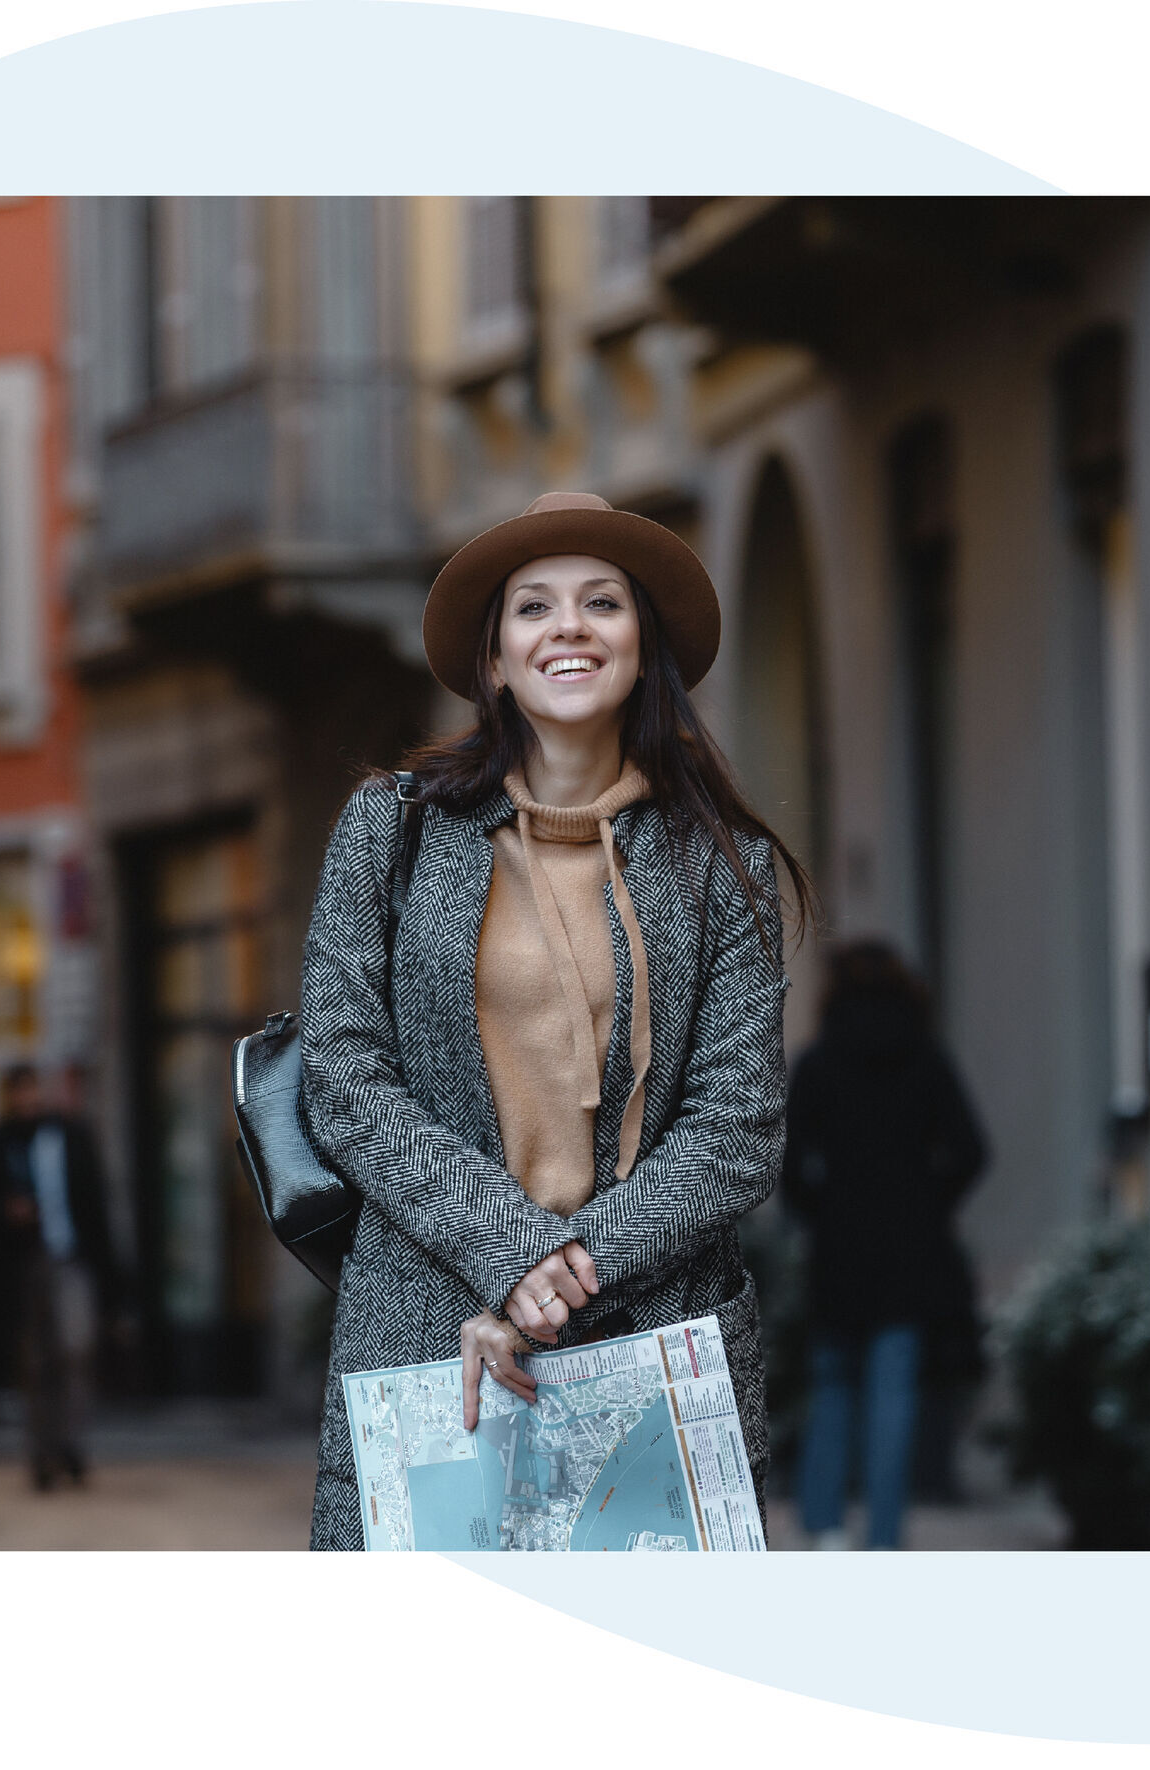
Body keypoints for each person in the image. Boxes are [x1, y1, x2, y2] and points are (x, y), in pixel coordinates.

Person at [298, 491, 812, 1551]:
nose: (568, 627)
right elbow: (346, 1077)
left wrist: (552, 1284)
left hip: (656, 1341)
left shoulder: (723, 865)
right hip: (426, 1341)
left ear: (643, 646)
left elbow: (737, 1130)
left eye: (602, 603)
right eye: (532, 607)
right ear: (495, 660)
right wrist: (508, 1251)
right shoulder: (392, 831)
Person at [780, 942, 987, 1548]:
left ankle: (823, 1524)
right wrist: (929, 1203)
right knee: (892, 1394)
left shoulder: (819, 1062)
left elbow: (787, 1165)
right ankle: (884, 1536)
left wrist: (818, 1213)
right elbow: (971, 1151)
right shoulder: (925, 1060)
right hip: (908, 1253)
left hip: (839, 1250)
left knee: (833, 1384)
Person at [0, 1062, 119, 1491]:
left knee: (75, 1350)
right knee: (36, 1363)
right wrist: (5, 1214)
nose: (27, 1100)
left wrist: (111, 1276)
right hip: (23, 1266)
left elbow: (96, 1207)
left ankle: (72, 1444)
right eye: (19, 1092)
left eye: (32, 1091)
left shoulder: (70, 1137)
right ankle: (42, 1453)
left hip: (71, 1260)